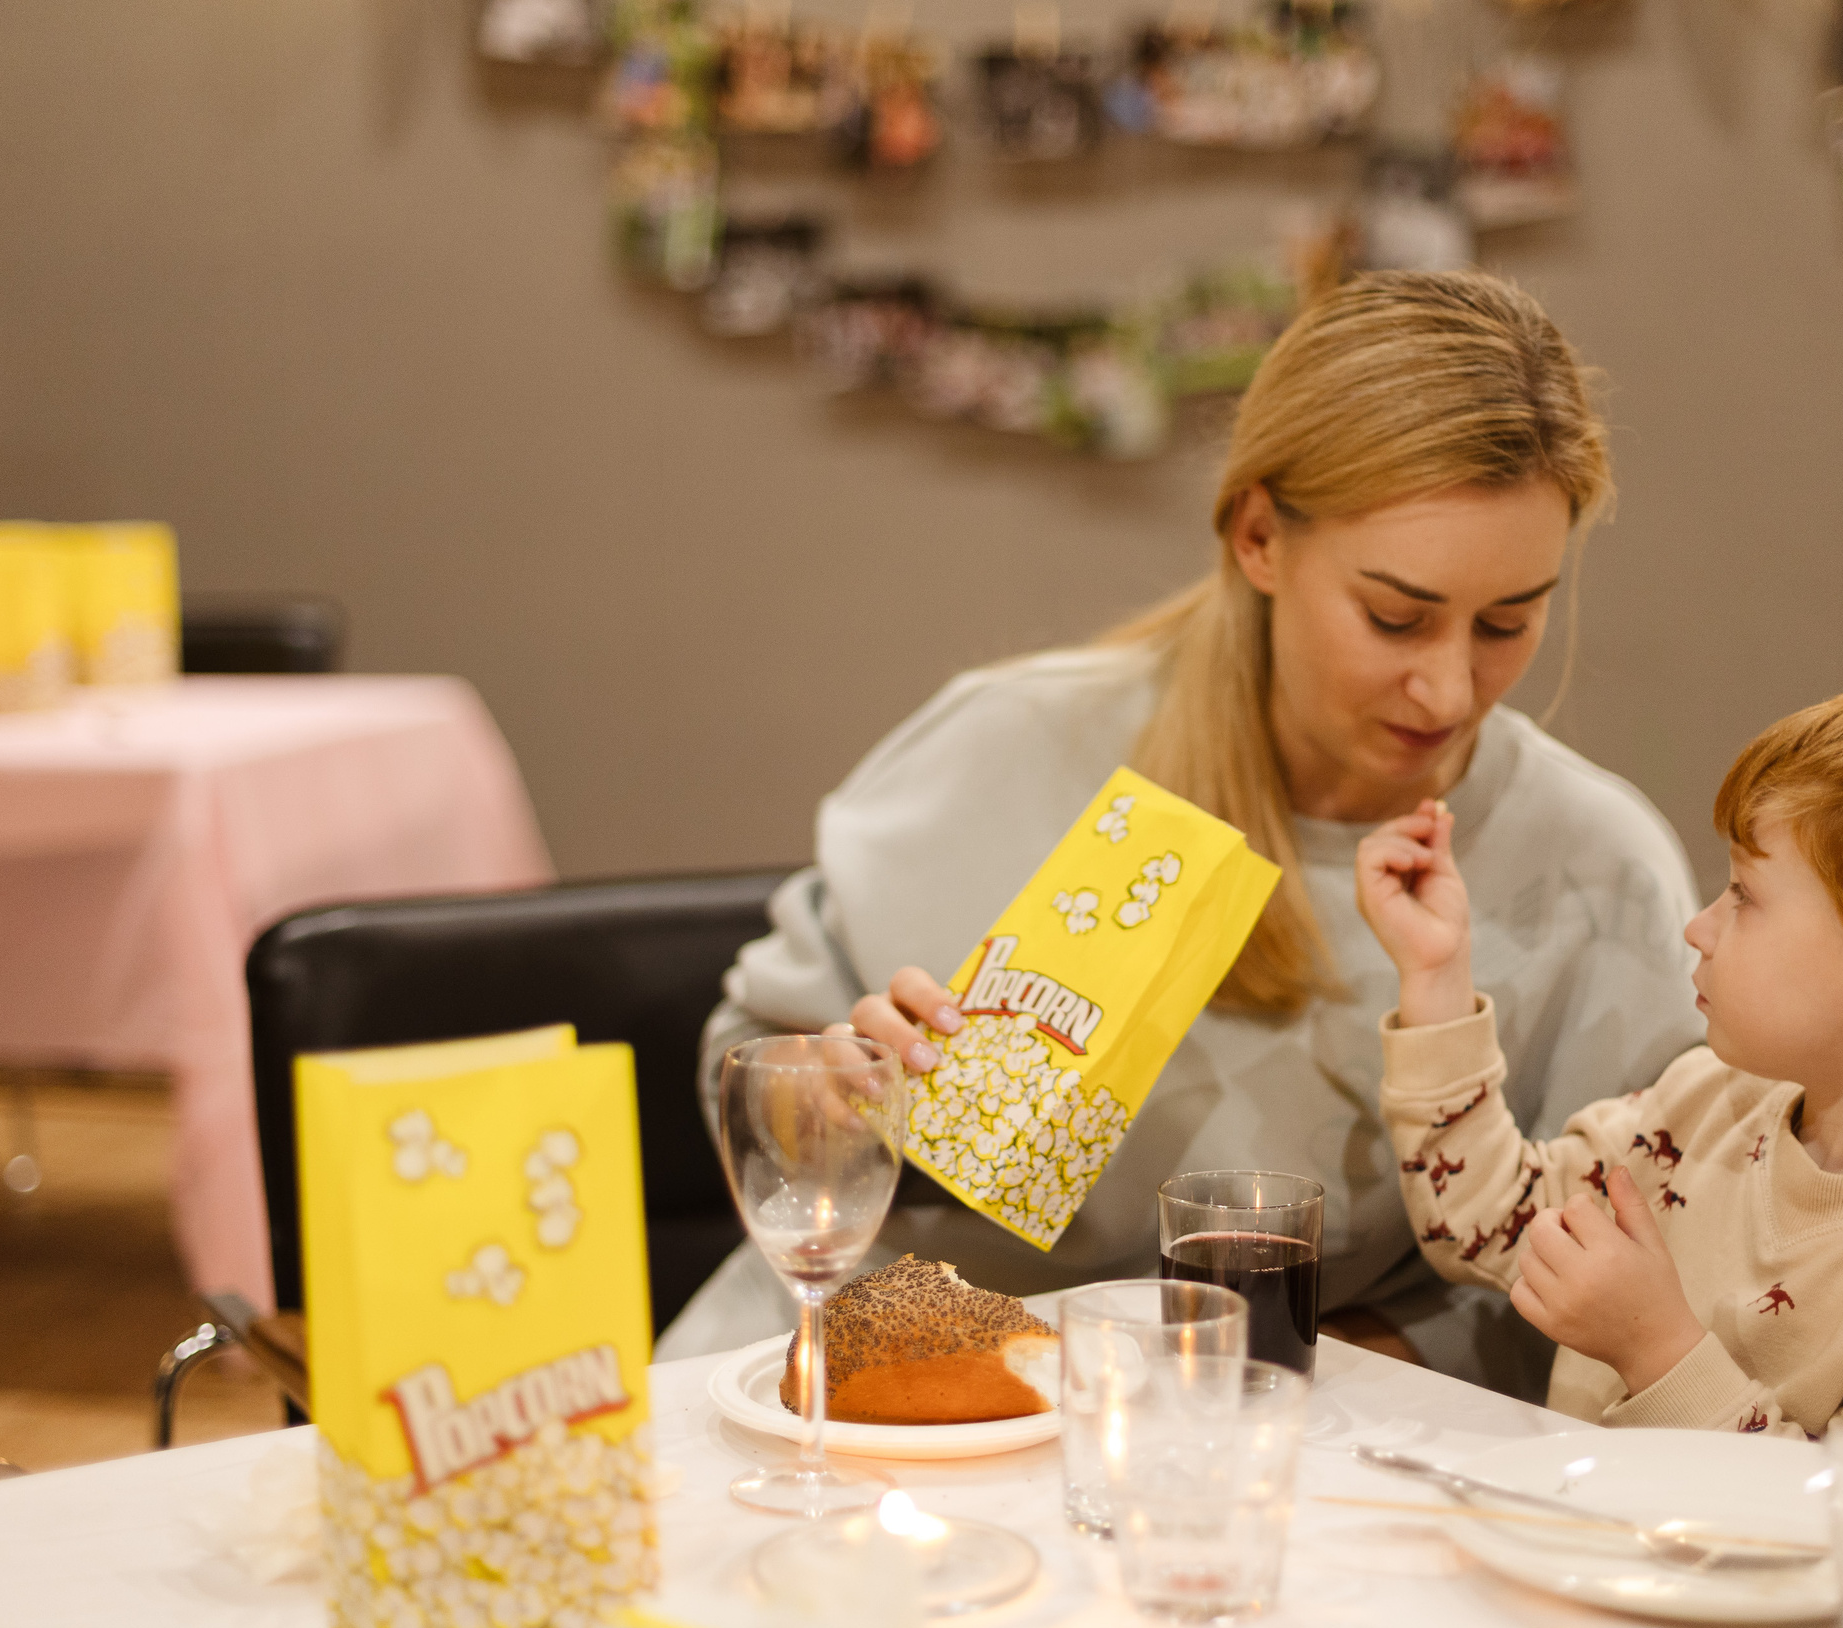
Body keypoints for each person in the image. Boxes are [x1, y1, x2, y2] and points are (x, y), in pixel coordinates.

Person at [661, 271, 1703, 1390]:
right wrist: (828, 1105)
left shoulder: (1597, 870)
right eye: (1393, 617)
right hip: (855, 1395)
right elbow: (753, 1089)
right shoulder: (1006, 748)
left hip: (1269, 1440)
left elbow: (1611, 1277)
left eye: (1508, 621)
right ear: (1258, 535)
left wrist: (1299, 1376)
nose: (1448, 690)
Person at [1358, 663, 1843, 1488]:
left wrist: (1656, 1349)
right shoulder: (1709, 1102)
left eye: (1745, 894)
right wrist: (1435, 972)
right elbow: (1483, 1215)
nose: (1700, 926)